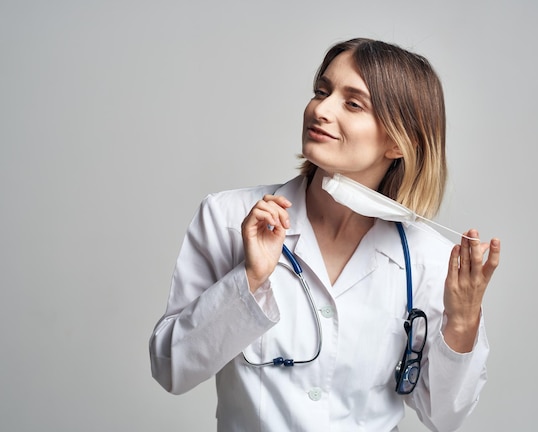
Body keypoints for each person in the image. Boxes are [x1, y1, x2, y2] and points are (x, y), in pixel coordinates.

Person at [149, 37, 500, 432]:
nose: (321, 109)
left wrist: (463, 319)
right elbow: (171, 368)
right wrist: (248, 280)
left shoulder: (431, 261)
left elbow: (446, 417)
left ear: (401, 142)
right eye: (321, 91)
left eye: (353, 103)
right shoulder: (228, 218)